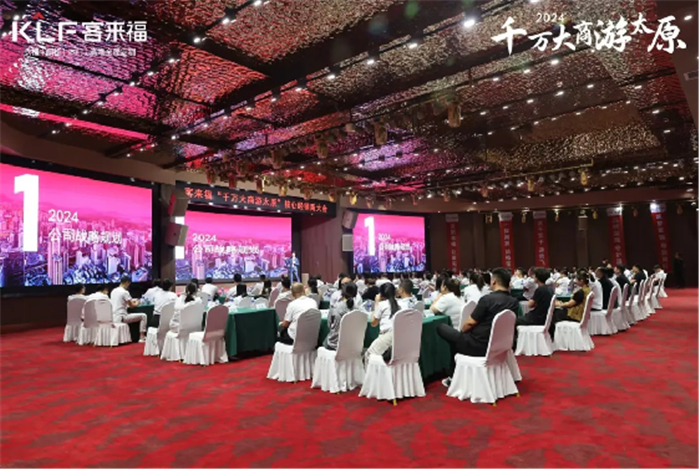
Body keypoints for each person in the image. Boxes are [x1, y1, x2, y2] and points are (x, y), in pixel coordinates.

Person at [437, 268, 519, 387]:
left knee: (442, 328)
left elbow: (469, 324)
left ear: (493, 282)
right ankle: (453, 374)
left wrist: (462, 332)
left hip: (478, 345)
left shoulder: (487, 300)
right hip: (499, 346)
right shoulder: (514, 302)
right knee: (456, 340)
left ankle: (453, 376)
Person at [550, 272, 592, 337]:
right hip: (581, 314)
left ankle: (555, 337)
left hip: (575, 316)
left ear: (581, 281)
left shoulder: (581, 292)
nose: (575, 281)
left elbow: (569, 305)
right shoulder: (588, 289)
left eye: (576, 279)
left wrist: (559, 304)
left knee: (555, 313)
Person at [366, 283, 401, 359]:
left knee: (368, 355)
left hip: (387, 336)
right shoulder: (401, 304)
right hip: (400, 337)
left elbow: (373, 323)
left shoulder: (382, 305)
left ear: (381, 294)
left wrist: (376, 303)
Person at [110, 275, 146, 342]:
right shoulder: (124, 292)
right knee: (143, 316)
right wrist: (138, 302)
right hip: (122, 317)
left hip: (113, 316)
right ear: (127, 283)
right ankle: (142, 337)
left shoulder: (113, 291)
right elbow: (132, 305)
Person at [323, 282, 358, 350]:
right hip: (352, 343)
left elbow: (329, 326)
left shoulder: (335, 308)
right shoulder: (357, 310)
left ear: (342, 292)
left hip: (334, 344)